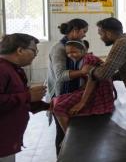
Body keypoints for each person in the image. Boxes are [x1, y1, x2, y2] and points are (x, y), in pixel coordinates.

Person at [0, 33, 48, 161]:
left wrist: (49, 106)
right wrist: (28, 96)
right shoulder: (2, 69)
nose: (36, 55)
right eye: (34, 50)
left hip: (8, 138)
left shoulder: (14, 69)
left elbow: (16, 98)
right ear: (20, 50)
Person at [46, 18, 89, 155]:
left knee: (76, 131)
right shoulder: (58, 49)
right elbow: (60, 75)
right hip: (61, 96)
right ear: (76, 30)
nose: (85, 35)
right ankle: (62, 157)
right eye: (84, 31)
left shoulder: (80, 44)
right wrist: (82, 72)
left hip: (75, 93)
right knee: (63, 134)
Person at [52, 40, 115, 132]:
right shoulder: (83, 60)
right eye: (68, 53)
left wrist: (82, 102)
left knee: (58, 108)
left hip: (100, 92)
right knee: (57, 100)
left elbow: (92, 80)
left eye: (74, 52)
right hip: (95, 88)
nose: (71, 55)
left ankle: (68, 138)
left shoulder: (89, 59)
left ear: (83, 51)